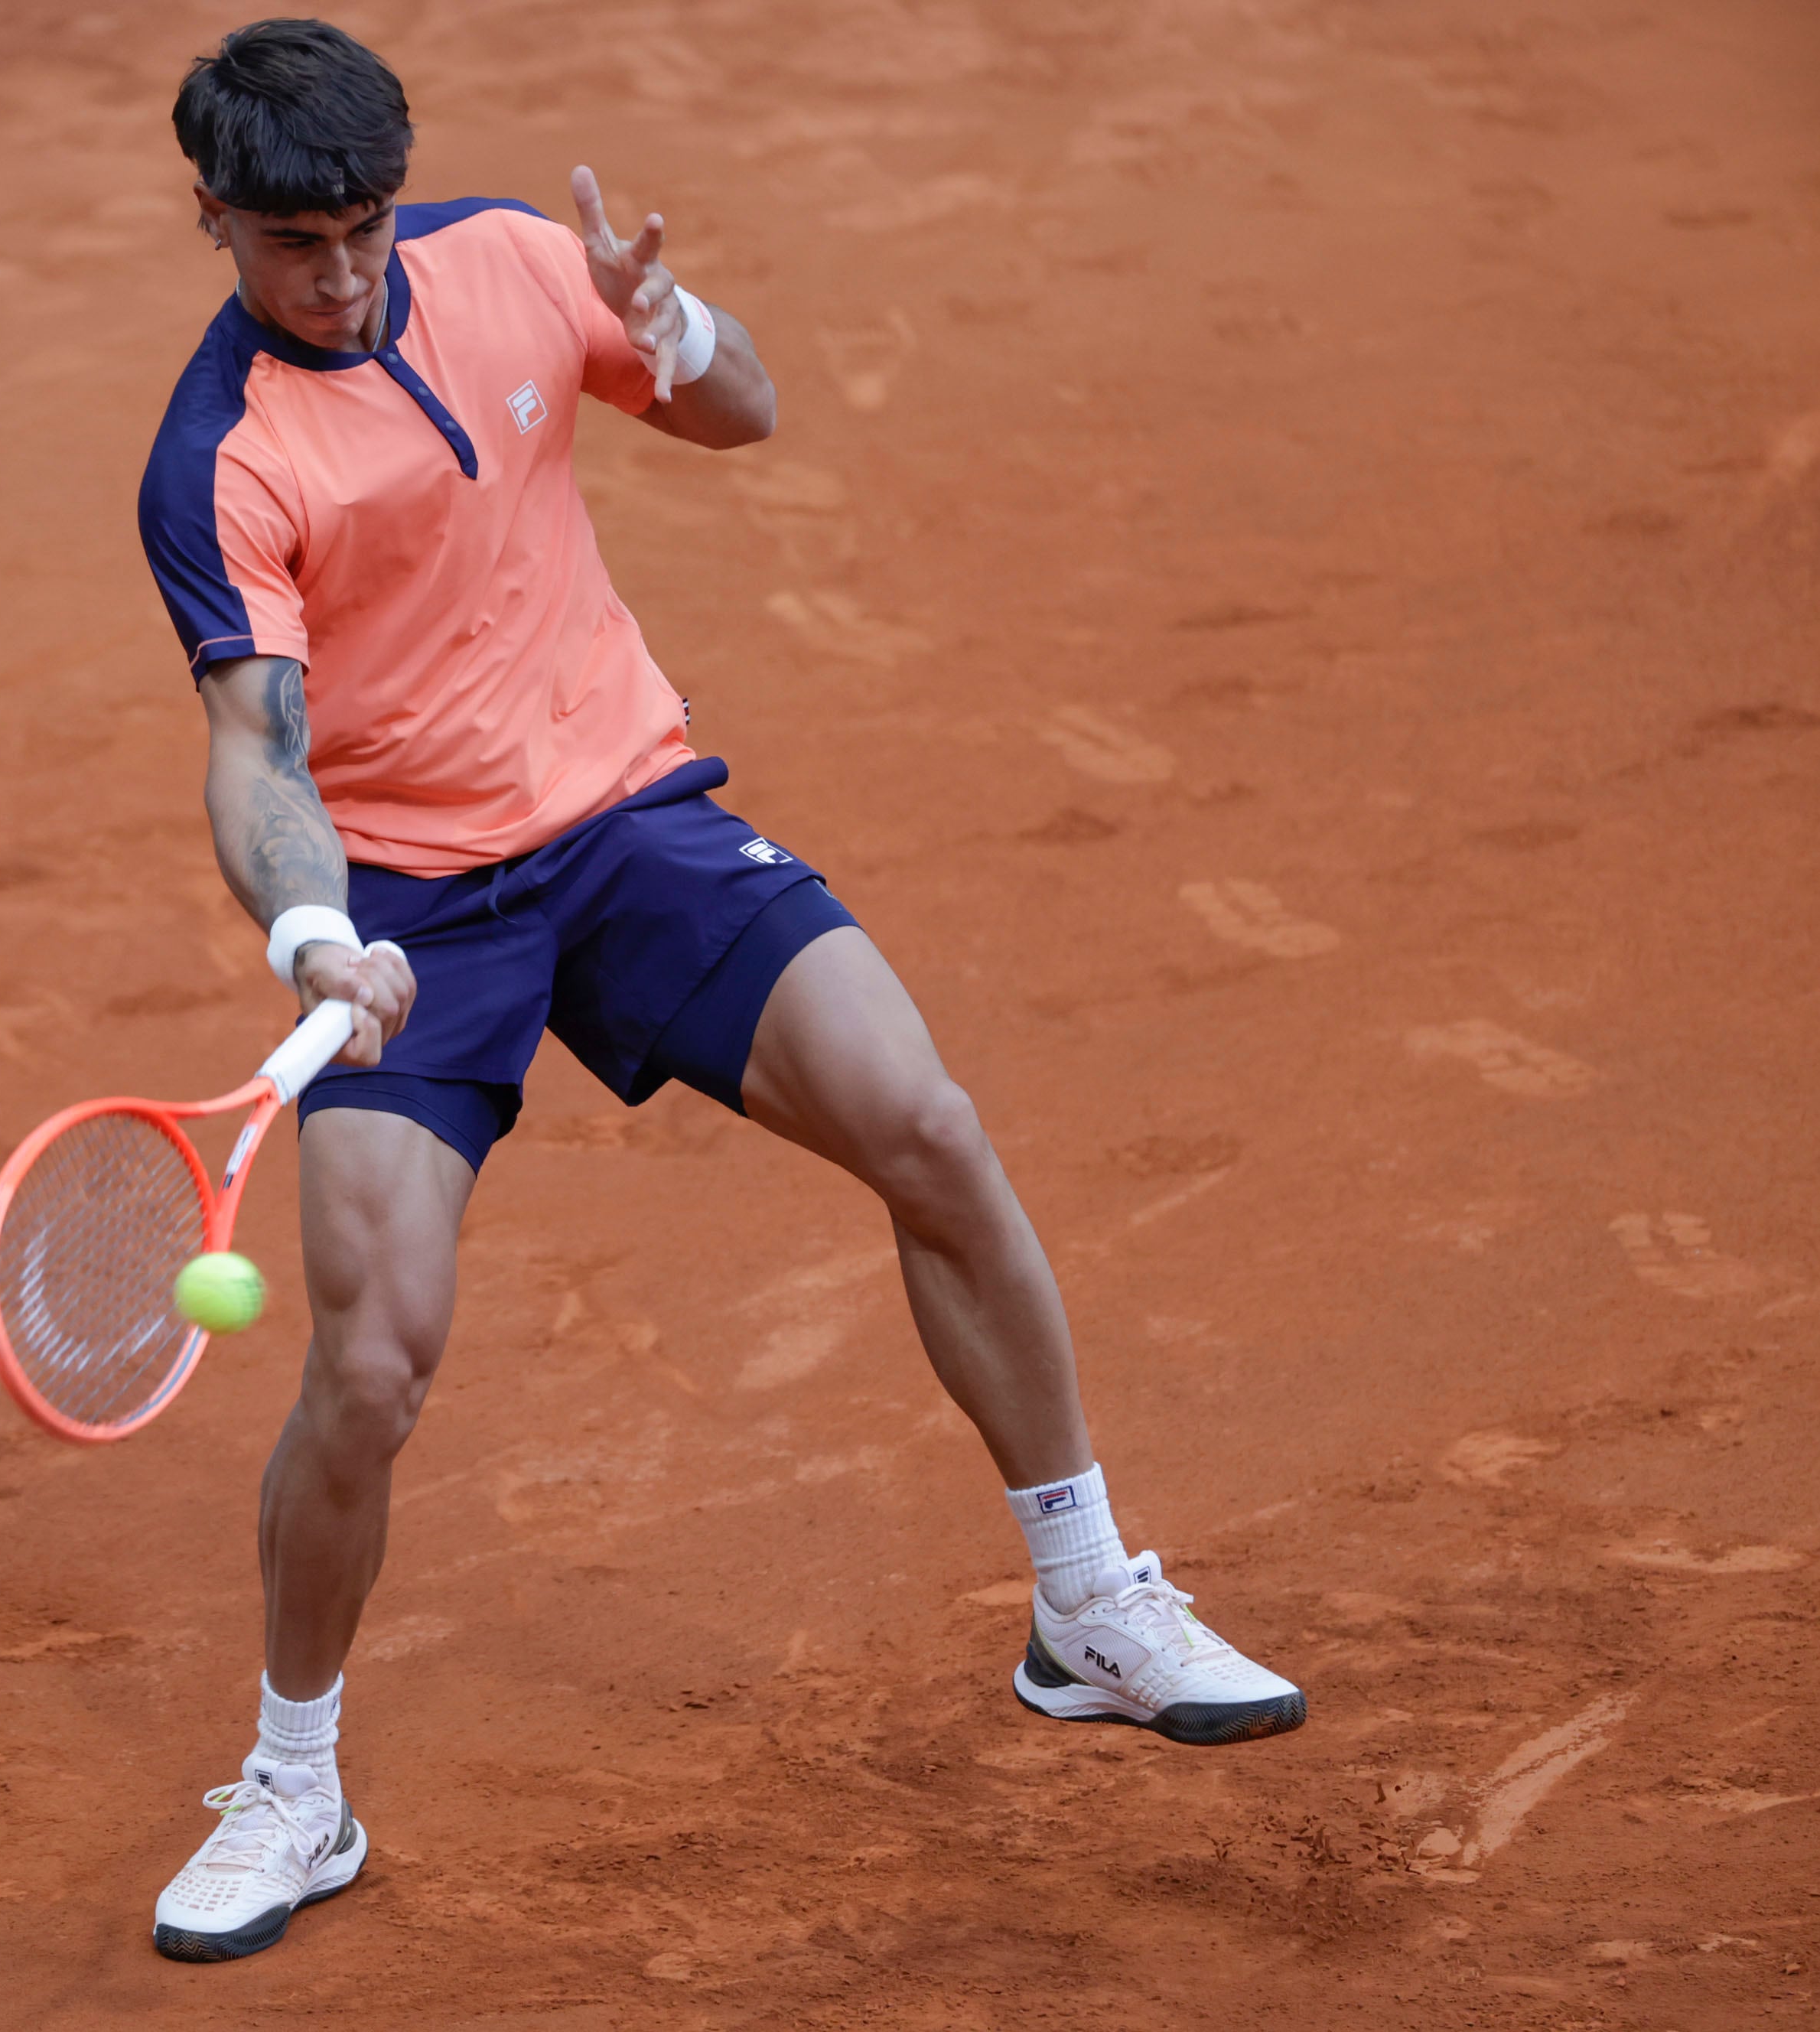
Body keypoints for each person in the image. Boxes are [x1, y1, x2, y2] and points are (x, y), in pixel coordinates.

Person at [135, 17, 1304, 1965]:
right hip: (416, 904)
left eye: (361, 230)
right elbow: (257, 755)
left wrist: (671, 328)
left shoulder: (517, 260)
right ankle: (293, 1782)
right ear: (212, 223)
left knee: (926, 1124)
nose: (335, 278)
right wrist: (311, 937)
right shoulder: (218, 457)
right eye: (289, 246)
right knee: (368, 1359)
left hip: (625, 820)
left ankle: (1088, 1603)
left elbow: (748, 411)